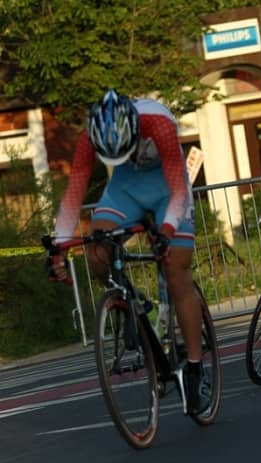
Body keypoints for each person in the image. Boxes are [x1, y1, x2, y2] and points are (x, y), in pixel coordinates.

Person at [48, 89, 209, 415]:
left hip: (168, 189)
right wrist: (58, 247)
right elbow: (74, 192)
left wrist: (166, 232)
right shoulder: (90, 135)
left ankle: (194, 369)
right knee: (97, 251)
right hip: (126, 188)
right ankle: (136, 305)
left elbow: (179, 191)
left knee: (176, 269)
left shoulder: (159, 124)